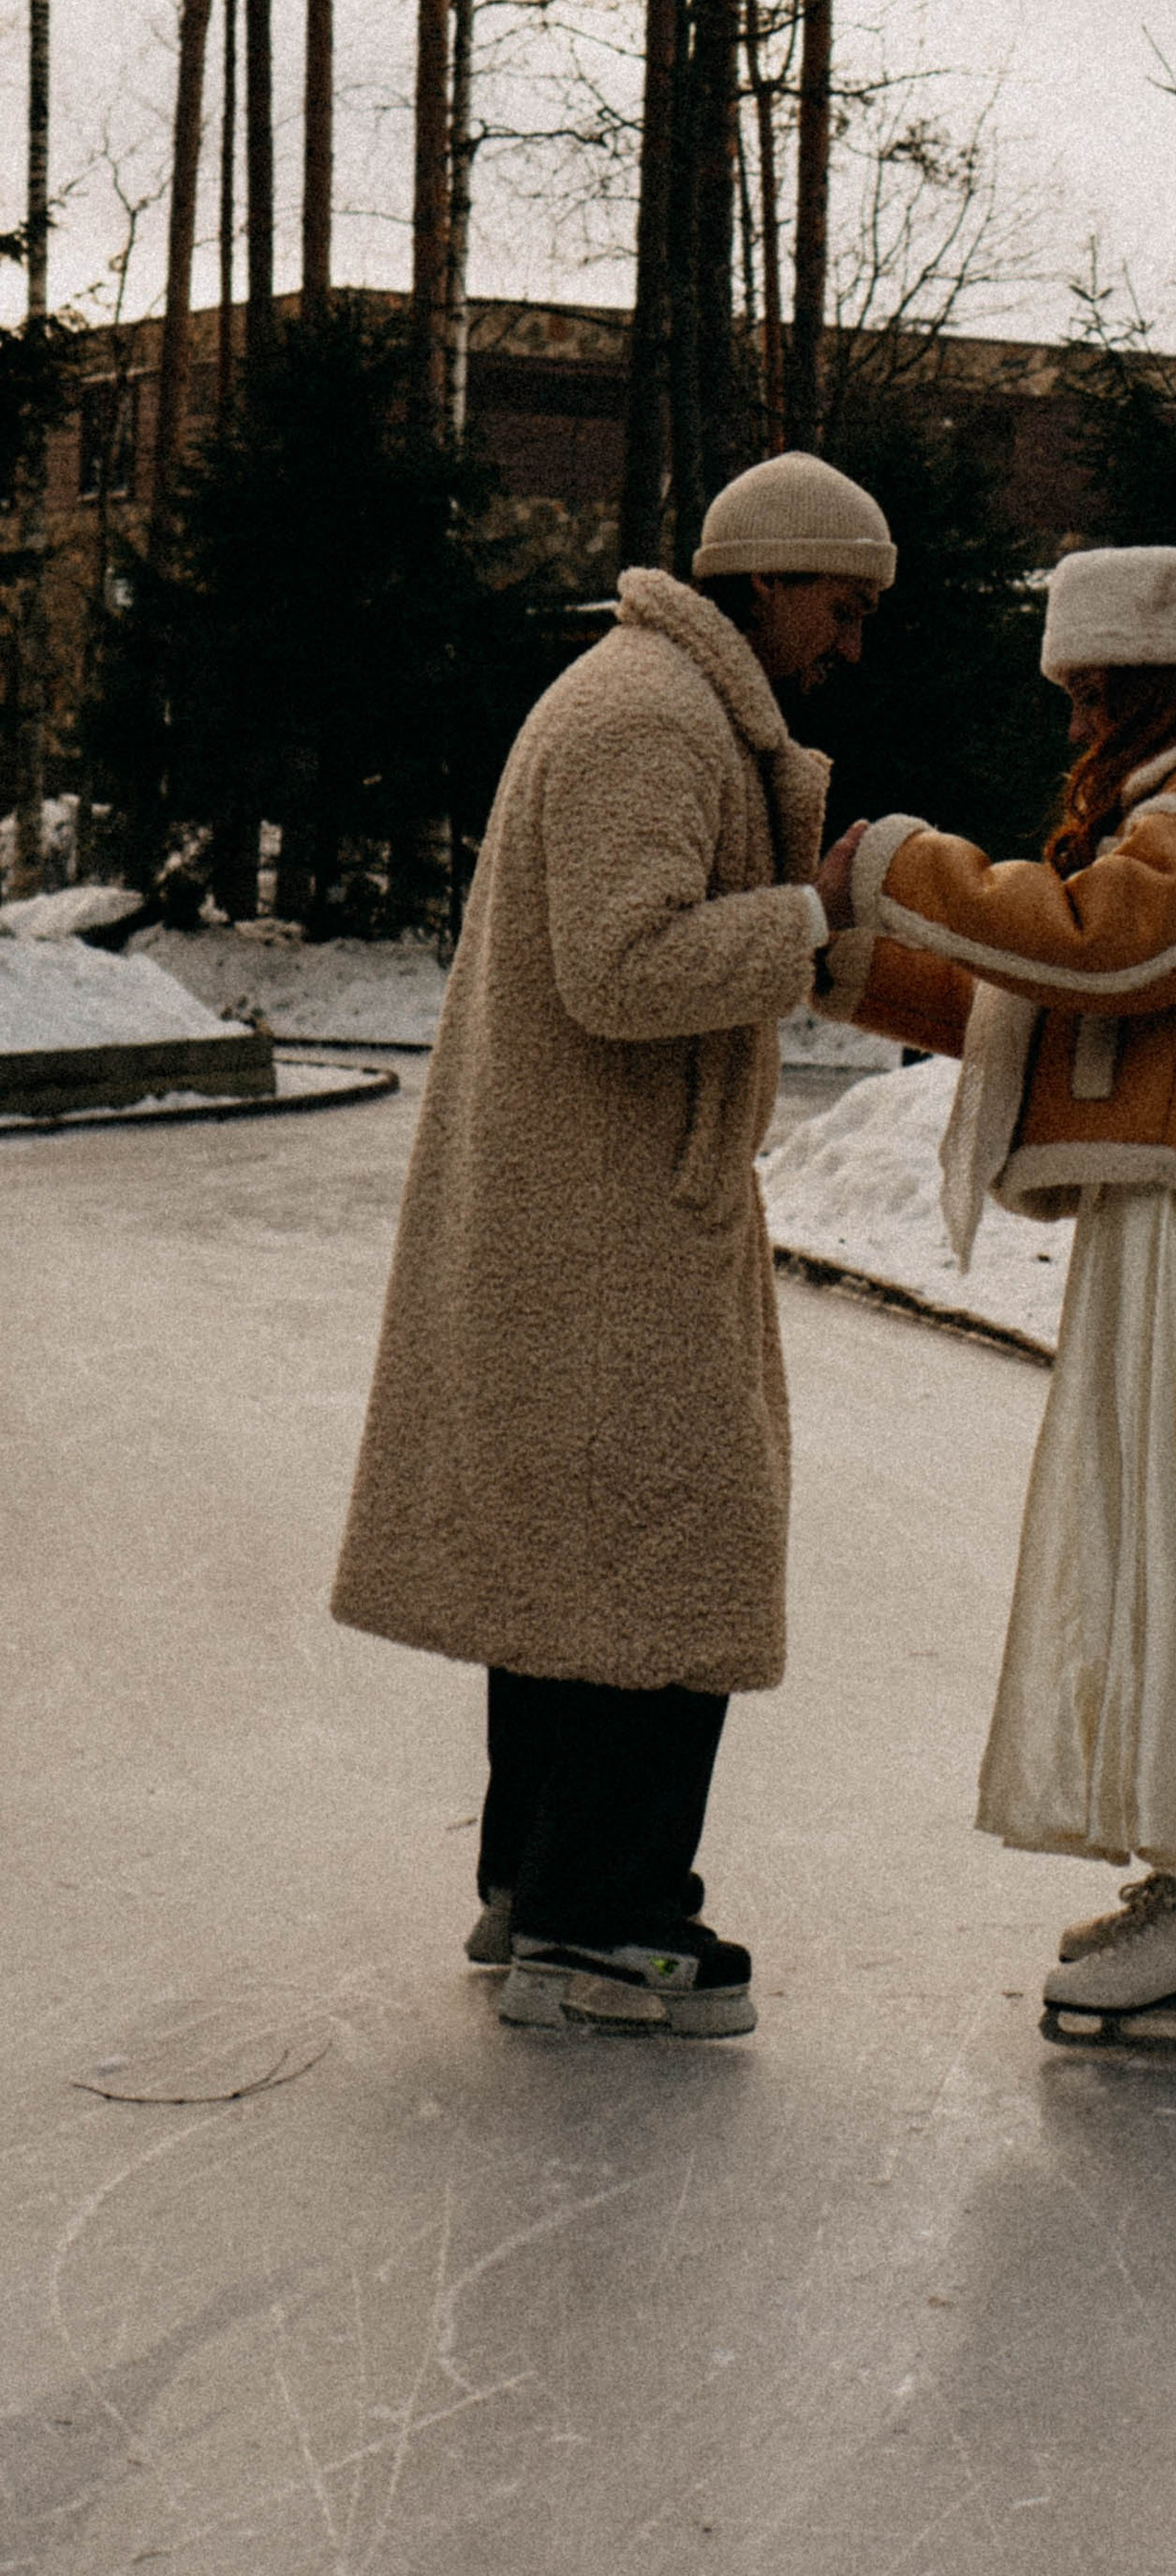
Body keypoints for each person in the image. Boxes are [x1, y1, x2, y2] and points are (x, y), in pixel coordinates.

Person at [329, 451, 895, 2039]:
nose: (850, 643)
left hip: (599, 1203)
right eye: (842, 608)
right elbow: (625, 966)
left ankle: (542, 1888)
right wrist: (817, 914)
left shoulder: (650, 698)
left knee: (578, 1561)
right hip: (608, 1215)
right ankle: (608, 1914)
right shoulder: (651, 716)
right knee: (664, 1547)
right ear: (769, 581)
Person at [812, 542, 1176, 2039]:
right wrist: (844, 962)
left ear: (1137, 680)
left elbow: (1101, 948)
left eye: (1084, 693)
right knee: (1163, 1541)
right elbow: (1039, 1000)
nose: (1068, 726)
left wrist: (888, 862)